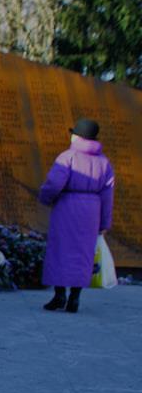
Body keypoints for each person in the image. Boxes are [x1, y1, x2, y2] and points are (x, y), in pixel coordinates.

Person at [38, 118, 115, 313]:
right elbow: (108, 195)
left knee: (60, 250)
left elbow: (54, 183)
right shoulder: (104, 162)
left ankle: (59, 295)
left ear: (77, 137)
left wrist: (45, 198)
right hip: (92, 212)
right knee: (83, 253)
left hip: (66, 207)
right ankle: (75, 298)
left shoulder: (68, 157)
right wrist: (104, 223)